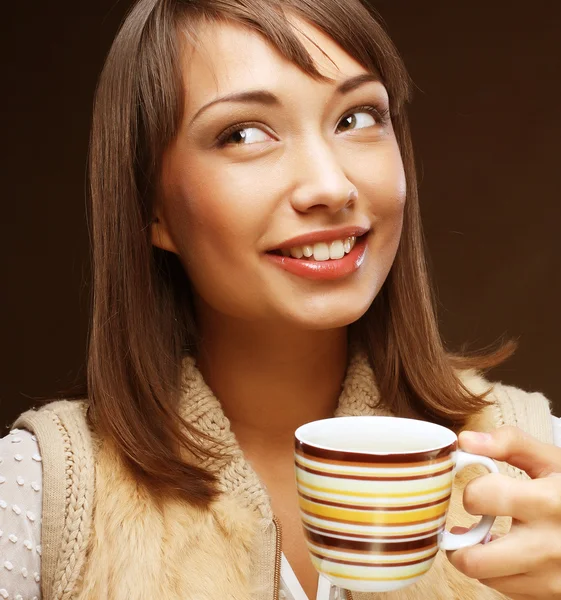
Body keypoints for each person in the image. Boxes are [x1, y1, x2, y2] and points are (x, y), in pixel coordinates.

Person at [1, 0, 560, 598]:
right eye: (243, 133)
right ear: (151, 208)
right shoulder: (40, 492)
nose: (329, 185)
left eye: (357, 117)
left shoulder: (538, 460)